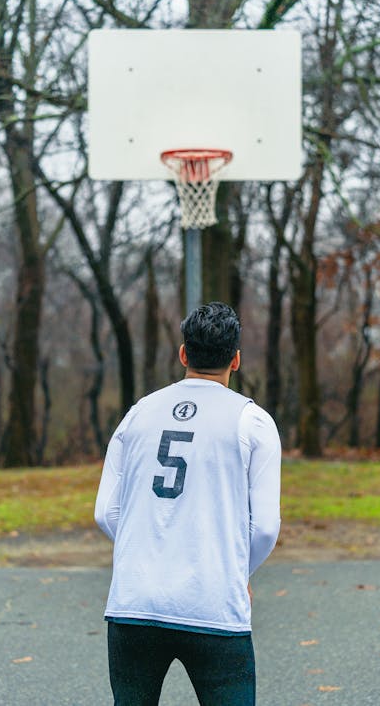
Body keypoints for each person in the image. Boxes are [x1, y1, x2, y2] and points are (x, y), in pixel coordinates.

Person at [95, 301, 281, 706]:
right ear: (236, 359)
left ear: (183, 354)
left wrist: (145, 551)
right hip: (212, 604)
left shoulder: (138, 414)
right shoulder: (253, 421)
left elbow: (105, 511)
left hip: (134, 602)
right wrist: (236, 570)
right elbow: (265, 527)